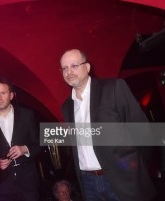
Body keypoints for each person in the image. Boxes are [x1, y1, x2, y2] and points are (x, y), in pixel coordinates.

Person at [59, 49, 156, 201]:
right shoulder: (67, 106)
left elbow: (143, 133)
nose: (68, 72)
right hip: (88, 182)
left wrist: (134, 170)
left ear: (87, 67)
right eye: (64, 68)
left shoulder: (113, 88)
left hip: (121, 180)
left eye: (74, 65)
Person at [0, 78, 41, 201]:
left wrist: (25, 149)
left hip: (28, 184)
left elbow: (40, 144)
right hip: (1, 186)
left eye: (3, 93)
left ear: (11, 95)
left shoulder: (27, 115)